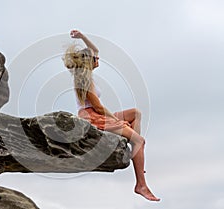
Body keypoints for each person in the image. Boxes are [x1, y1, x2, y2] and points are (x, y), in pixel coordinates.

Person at [62, 29, 160, 202]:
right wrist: (117, 121)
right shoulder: (82, 80)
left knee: (135, 113)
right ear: (89, 62)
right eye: (95, 59)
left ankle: (136, 151)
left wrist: (83, 36)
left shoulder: (88, 75)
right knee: (139, 140)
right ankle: (141, 185)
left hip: (95, 114)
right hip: (91, 117)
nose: (98, 59)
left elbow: (96, 50)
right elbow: (98, 108)